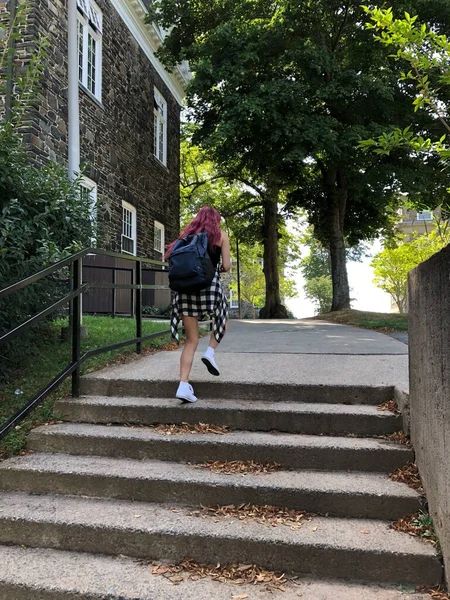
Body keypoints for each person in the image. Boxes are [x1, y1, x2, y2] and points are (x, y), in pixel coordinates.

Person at [164, 206, 231, 403]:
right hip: (209, 289)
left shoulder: (185, 237)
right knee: (223, 319)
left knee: (191, 341)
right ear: (215, 220)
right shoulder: (221, 236)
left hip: (185, 291)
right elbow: (226, 266)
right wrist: (217, 266)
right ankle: (210, 352)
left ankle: (183, 385)